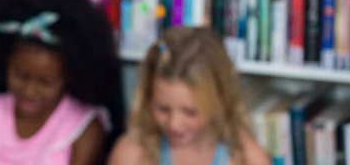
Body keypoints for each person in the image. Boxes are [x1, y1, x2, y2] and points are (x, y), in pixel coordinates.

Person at [0, 0, 125, 165]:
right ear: (5, 63)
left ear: (69, 76)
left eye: (46, 82)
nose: (30, 91)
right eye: (21, 76)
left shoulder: (85, 128)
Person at [107, 27, 270, 165]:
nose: (174, 124)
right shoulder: (130, 155)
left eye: (190, 112)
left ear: (219, 101)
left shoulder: (249, 158)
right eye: (163, 109)